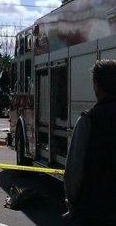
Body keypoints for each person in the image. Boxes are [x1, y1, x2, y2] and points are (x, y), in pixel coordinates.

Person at [63, 59, 116, 225]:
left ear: (96, 85)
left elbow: (73, 171)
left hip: (96, 209)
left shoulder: (89, 120)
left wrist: (72, 205)